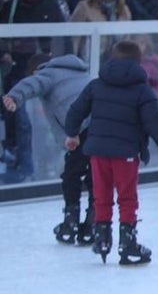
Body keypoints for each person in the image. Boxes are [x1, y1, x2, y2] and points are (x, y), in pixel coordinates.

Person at [63, 40, 158, 265]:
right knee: (127, 196)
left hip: (98, 152)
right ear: (138, 62)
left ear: (112, 59)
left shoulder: (96, 85)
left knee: (101, 194)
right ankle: (128, 244)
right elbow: (152, 121)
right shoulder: (143, 90)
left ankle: (102, 238)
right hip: (126, 153)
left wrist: (72, 134)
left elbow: (76, 111)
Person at [3, 52, 93, 243]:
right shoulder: (80, 72)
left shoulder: (47, 73)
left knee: (71, 175)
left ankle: (71, 220)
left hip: (82, 127)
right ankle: (94, 221)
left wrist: (14, 96)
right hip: (102, 123)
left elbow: (32, 84)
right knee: (97, 176)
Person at [2, 0, 67, 182]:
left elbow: (62, 38)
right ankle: (26, 168)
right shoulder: (11, 7)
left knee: (44, 124)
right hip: (18, 72)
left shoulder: (51, 6)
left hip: (46, 73)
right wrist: (5, 53)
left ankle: (46, 167)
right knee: (23, 121)